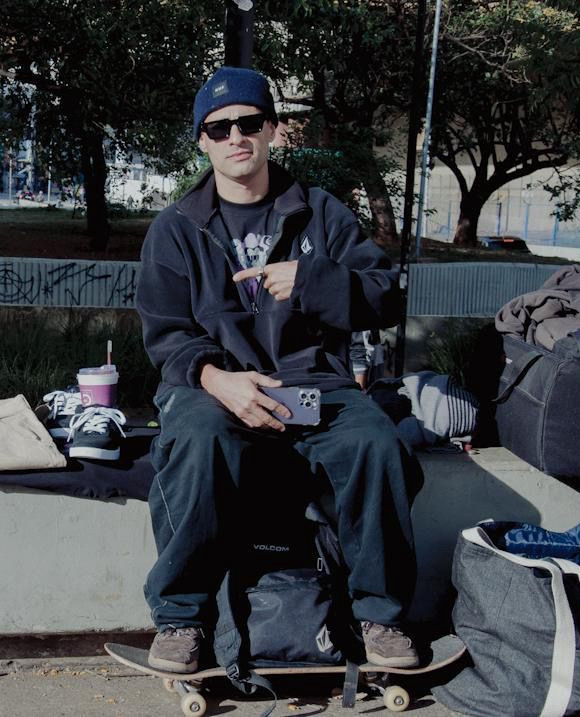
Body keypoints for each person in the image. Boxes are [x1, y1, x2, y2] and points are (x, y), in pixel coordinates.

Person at [135, 66, 423, 673]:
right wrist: (217, 380)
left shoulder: (321, 214)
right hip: (215, 386)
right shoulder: (176, 229)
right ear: (203, 141)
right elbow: (166, 336)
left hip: (316, 386)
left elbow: (386, 298)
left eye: (249, 123)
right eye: (220, 128)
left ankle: (380, 616)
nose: (236, 137)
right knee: (196, 439)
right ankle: (182, 619)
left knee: (377, 444)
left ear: (272, 130)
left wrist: (314, 281)